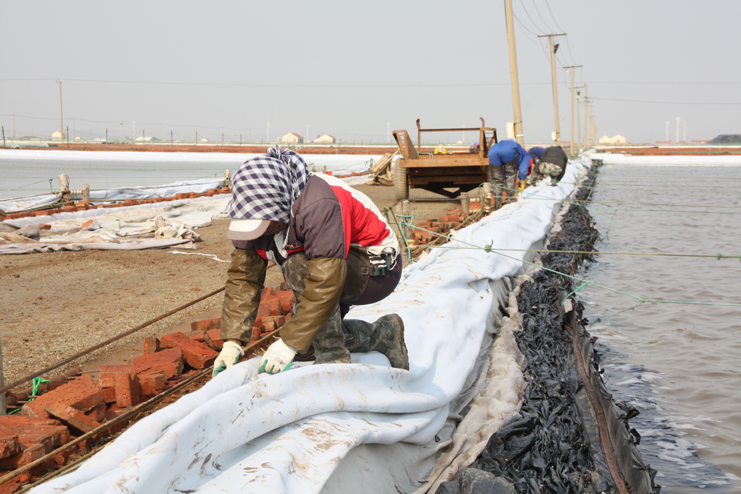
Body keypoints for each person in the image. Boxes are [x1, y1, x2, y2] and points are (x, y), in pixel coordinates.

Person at [213, 146, 408, 377]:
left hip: (375, 268)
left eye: (262, 224)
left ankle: (333, 359)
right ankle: (384, 333)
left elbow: (326, 279)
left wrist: (290, 341)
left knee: (296, 266)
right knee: (305, 347)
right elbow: (243, 279)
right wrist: (232, 342)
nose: (257, 232)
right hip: (329, 269)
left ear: (280, 207)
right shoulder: (252, 214)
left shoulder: (318, 203)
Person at [487, 140, 532, 206]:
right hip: (508, 151)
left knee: (497, 180)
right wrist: (522, 180)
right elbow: (523, 170)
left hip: (492, 151)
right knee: (511, 175)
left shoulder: (518, 150)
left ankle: (497, 204)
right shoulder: (526, 155)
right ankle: (510, 199)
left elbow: (503, 173)